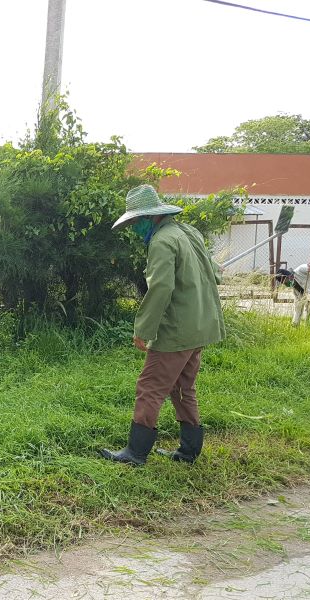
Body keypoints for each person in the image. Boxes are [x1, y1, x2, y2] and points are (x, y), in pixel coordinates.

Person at [100, 184, 225, 466]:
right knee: (183, 386)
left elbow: (161, 288)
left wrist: (143, 330)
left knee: (150, 386)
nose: (133, 228)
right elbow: (215, 272)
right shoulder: (187, 232)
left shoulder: (162, 241)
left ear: (149, 217)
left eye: (135, 222)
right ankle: (188, 451)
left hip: (177, 329)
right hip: (201, 325)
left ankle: (135, 453)